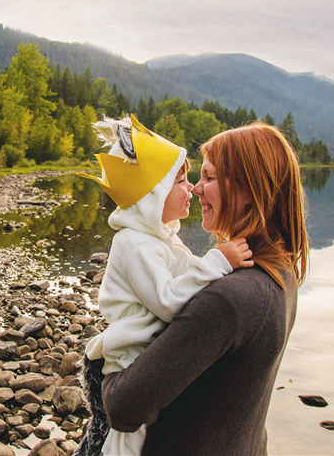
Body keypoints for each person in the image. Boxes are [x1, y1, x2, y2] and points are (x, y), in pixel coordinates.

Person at [101, 122, 309, 456]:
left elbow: (123, 407)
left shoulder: (228, 300)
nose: (196, 189)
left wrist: (105, 376)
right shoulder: (280, 273)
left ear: (248, 191)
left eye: (209, 178)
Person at [76, 115, 254, 456]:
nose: (191, 189)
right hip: (128, 358)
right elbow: (170, 301)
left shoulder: (161, 238)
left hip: (145, 350)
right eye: (181, 181)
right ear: (152, 195)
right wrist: (219, 260)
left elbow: (187, 276)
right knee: (128, 441)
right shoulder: (135, 245)